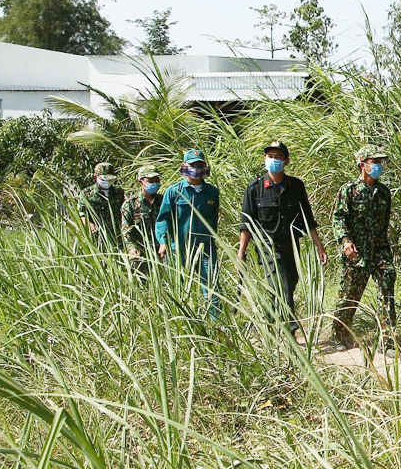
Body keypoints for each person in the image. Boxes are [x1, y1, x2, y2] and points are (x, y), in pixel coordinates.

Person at [236, 140, 327, 335]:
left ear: (286, 161)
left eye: (278, 157)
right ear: (264, 159)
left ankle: (266, 322)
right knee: (283, 284)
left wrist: (319, 247)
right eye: (270, 156)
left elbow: (308, 218)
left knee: (289, 283)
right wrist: (241, 252)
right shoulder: (255, 188)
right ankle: (290, 330)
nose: (273, 160)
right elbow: (246, 224)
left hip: (291, 245)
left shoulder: (296, 186)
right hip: (267, 247)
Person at [328, 145, 397, 351]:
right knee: (349, 296)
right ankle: (340, 336)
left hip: (380, 250)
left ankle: (388, 340)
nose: (378, 166)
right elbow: (338, 218)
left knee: (386, 293)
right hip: (357, 252)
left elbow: (384, 222)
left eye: (379, 162)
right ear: (362, 165)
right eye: (374, 162)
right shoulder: (349, 191)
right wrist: (345, 241)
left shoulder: (384, 192)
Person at [155, 149, 222, 318]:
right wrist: (163, 242)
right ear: (184, 166)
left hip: (205, 248)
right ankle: (182, 323)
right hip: (178, 249)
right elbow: (163, 219)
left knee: (212, 287)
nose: (196, 168)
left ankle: (217, 324)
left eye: (200, 165)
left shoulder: (212, 192)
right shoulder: (174, 191)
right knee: (179, 288)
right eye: (192, 165)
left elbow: (213, 219)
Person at [123, 164, 163, 278]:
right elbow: (126, 229)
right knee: (143, 283)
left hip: (162, 250)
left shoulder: (164, 201)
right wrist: (131, 248)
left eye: (157, 180)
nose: (154, 183)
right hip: (141, 252)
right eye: (150, 181)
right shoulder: (131, 203)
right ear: (141, 182)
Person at [79, 162, 126, 248]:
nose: (107, 182)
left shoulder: (119, 192)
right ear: (95, 177)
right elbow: (81, 214)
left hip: (117, 238)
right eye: (104, 180)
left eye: (110, 179)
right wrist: (89, 224)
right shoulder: (86, 194)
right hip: (97, 239)